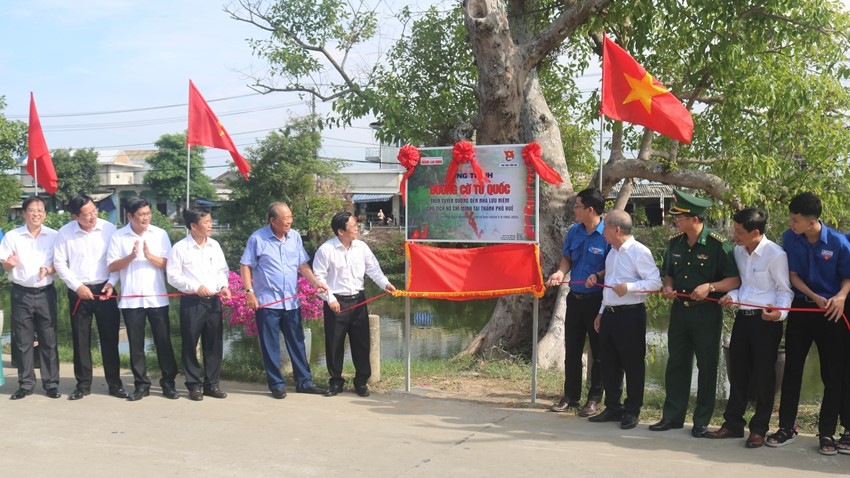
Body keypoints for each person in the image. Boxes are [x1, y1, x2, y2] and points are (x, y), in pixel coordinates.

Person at [650, 190, 740, 437]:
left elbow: (733, 280)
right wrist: (668, 287)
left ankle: (701, 420)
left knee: (707, 366)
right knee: (676, 363)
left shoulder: (718, 246)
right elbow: (669, 273)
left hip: (707, 313)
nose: (675, 220)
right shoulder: (675, 243)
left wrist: (710, 287)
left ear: (695, 219)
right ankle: (672, 416)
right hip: (680, 311)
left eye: (680, 217)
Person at [767, 192, 850, 455]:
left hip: (832, 312)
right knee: (792, 368)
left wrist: (840, 297)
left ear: (812, 221)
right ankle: (786, 428)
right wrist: (813, 296)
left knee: (832, 373)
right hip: (802, 307)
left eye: (795, 220)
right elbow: (792, 274)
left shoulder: (838, 242)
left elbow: (847, 277)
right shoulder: (790, 238)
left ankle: (827, 432)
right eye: (791, 219)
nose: (791, 224)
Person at [704, 208, 792, 448]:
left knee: (764, 375)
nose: (735, 235)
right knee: (739, 372)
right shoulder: (738, 252)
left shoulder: (776, 254)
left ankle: (759, 428)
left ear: (756, 232)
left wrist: (779, 314)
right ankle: (733, 424)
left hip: (766, 322)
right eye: (734, 230)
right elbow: (742, 285)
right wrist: (731, 296)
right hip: (743, 318)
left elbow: (785, 291)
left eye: (739, 231)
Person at [240, 202, 329, 399]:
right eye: (285, 218)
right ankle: (276, 384)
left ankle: (304, 382)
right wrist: (249, 292)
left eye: (290, 217)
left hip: (291, 301)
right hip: (267, 302)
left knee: (297, 342)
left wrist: (315, 282)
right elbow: (245, 265)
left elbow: (302, 264)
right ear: (272, 220)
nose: (289, 221)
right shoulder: (258, 238)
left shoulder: (295, 236)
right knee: (270, 344)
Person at [586, 210, 661, 429]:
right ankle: (613, 406)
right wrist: (601, 312)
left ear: (617, 230)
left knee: (632, 363)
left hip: (630, 314)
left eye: (606, 227)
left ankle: (632, 410)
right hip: (610, 313)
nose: (603, 231)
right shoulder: (612, 253)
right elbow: (609, 285)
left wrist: (630, 287)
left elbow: (654, 282)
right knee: (608, 362)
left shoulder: (639, 251)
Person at [313, 212, 396, 397]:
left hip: (358, 300)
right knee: (334, 344)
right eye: (353, 226)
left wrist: (385, 284)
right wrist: (330, 299)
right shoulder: (326, 250)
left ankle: (361, 382)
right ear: (341, 231)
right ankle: (336, 382)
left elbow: (373, 269)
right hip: (336, 301)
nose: (357, 228)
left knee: (361, 343)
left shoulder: (362, 247)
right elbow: (319, 279)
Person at [54, 194, 128, 400]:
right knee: (81, 339)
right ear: (75, 216)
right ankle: (83, 384)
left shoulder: (109, 229)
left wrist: (111, 283)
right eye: (87, 214)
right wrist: (77, 286)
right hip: (79, 292)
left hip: (105, 290)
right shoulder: (65, 233)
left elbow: (115, 261)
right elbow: (60, 263)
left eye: (94, 211)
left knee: (110, 339)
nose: (92, 216)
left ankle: (115, 383)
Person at [546, 188, 611, 417]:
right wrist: (560, 273)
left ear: (590, 210)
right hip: (575, 298)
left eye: (578, 206)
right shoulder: (574, 231)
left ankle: (594, 399)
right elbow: (567, 258)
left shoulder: (608, 234)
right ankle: (570, 395)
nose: (575, 210)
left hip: (598, 302)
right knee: (571, 350)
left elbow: (614, 267)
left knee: (599, 353)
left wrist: (599, 276)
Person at [107, 197, 178, 401]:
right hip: (131, 300)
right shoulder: (119, 236)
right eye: (141, 215)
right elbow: (111, 266)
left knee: (163, 342)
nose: (145, 218)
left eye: (148, 213)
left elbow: (168, 263)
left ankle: (168, 383)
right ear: (129, 216)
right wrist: (130, 257)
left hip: (157, 299)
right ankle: (141, 384)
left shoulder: (160, 234)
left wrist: (149, 257)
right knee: (136, 345)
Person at [167, 207, 232, 401]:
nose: (211, 225)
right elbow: (173, 276)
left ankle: (212, 384)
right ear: (193, 226)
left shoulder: (215, 246)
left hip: (213, 301)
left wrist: (223, 286)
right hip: (192, 301)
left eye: (211, 221)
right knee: (190, 342)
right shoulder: (180, 248)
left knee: (214, 344)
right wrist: (195, 286)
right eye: (207, 222)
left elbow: (222, 270)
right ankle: (193, 385)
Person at [0, 196, 60, 399]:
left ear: (45, 214)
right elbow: (5, 265)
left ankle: (51, 384)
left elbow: (59, 265)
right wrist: (10, 263)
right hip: (21, 293)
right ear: (24, 213)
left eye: (40, 210)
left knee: (49, 339)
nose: (36, 214)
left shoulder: (54, 235)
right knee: (23, 341)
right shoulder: (12, 236)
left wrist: (49, 269)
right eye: (32, 210)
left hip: (45, 292)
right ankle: (26, 384)